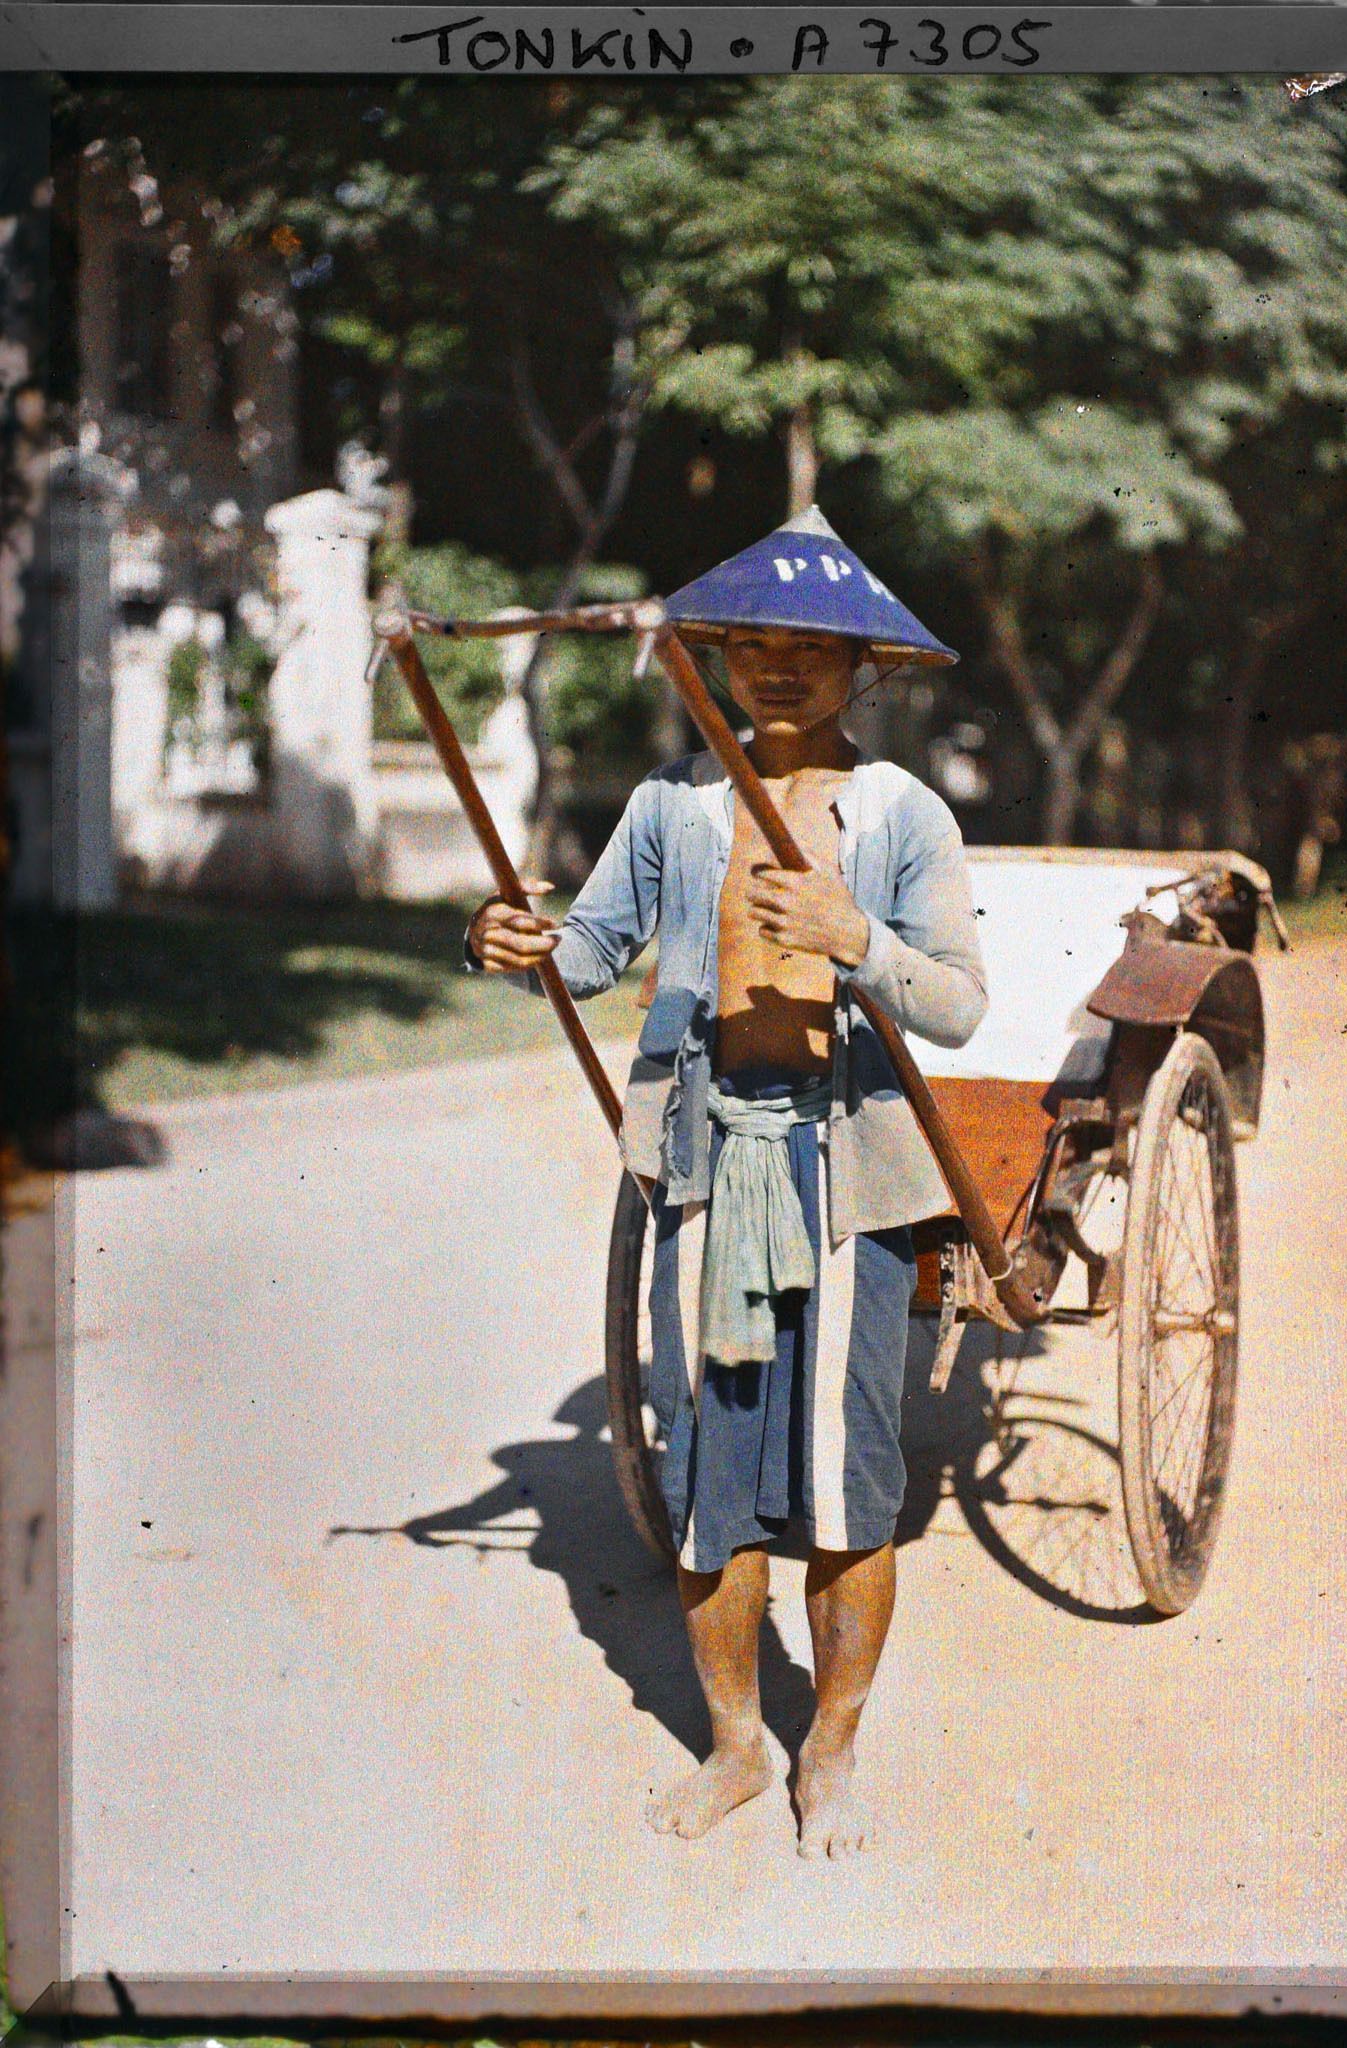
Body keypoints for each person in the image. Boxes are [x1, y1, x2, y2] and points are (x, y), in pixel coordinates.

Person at [466, 507, 987, 1858]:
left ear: (862, 666)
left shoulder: (903, 818)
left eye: (807, 646)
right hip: (706, 1175)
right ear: (718, 657)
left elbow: (961, 1007)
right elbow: (584, 957)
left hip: (850, 1182)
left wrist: (852, 934)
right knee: (711, 1485)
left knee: (846, 1485)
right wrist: (512, 940)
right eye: (750, 641)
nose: (774, 665)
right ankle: (740, 1749)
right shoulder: (672, 812)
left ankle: (832, 1757)